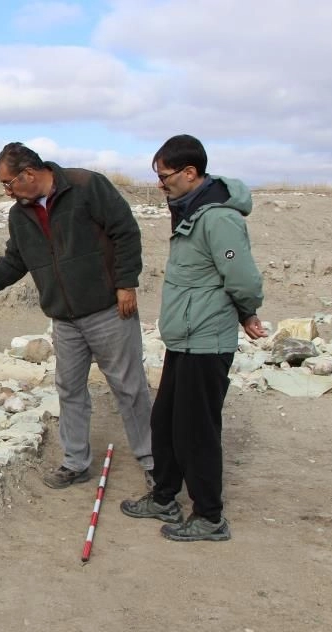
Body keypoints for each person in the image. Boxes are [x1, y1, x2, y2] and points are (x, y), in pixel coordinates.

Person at [0, 142, 153, 490]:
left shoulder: (87, 186)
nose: (6, 191)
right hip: (64, 319)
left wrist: (126, 284)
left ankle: (152, 460)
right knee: (69, 388)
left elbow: (126, 231)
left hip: (108, 310)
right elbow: (14, 261)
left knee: (129, 387)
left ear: (29, 174)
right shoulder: (20, 215)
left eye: (8, 183)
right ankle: (75, 462)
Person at [120, 134, 265, 542]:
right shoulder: (190, 210)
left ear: (190, 172)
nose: (159, 184)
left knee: (196, 431)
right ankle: (165, 496)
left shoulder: (218, 217)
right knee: (165, 421)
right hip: (185, 336)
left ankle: (209, 516)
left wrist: (248, 311)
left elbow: (242, 277)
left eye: (164, 176)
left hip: (208, 339)